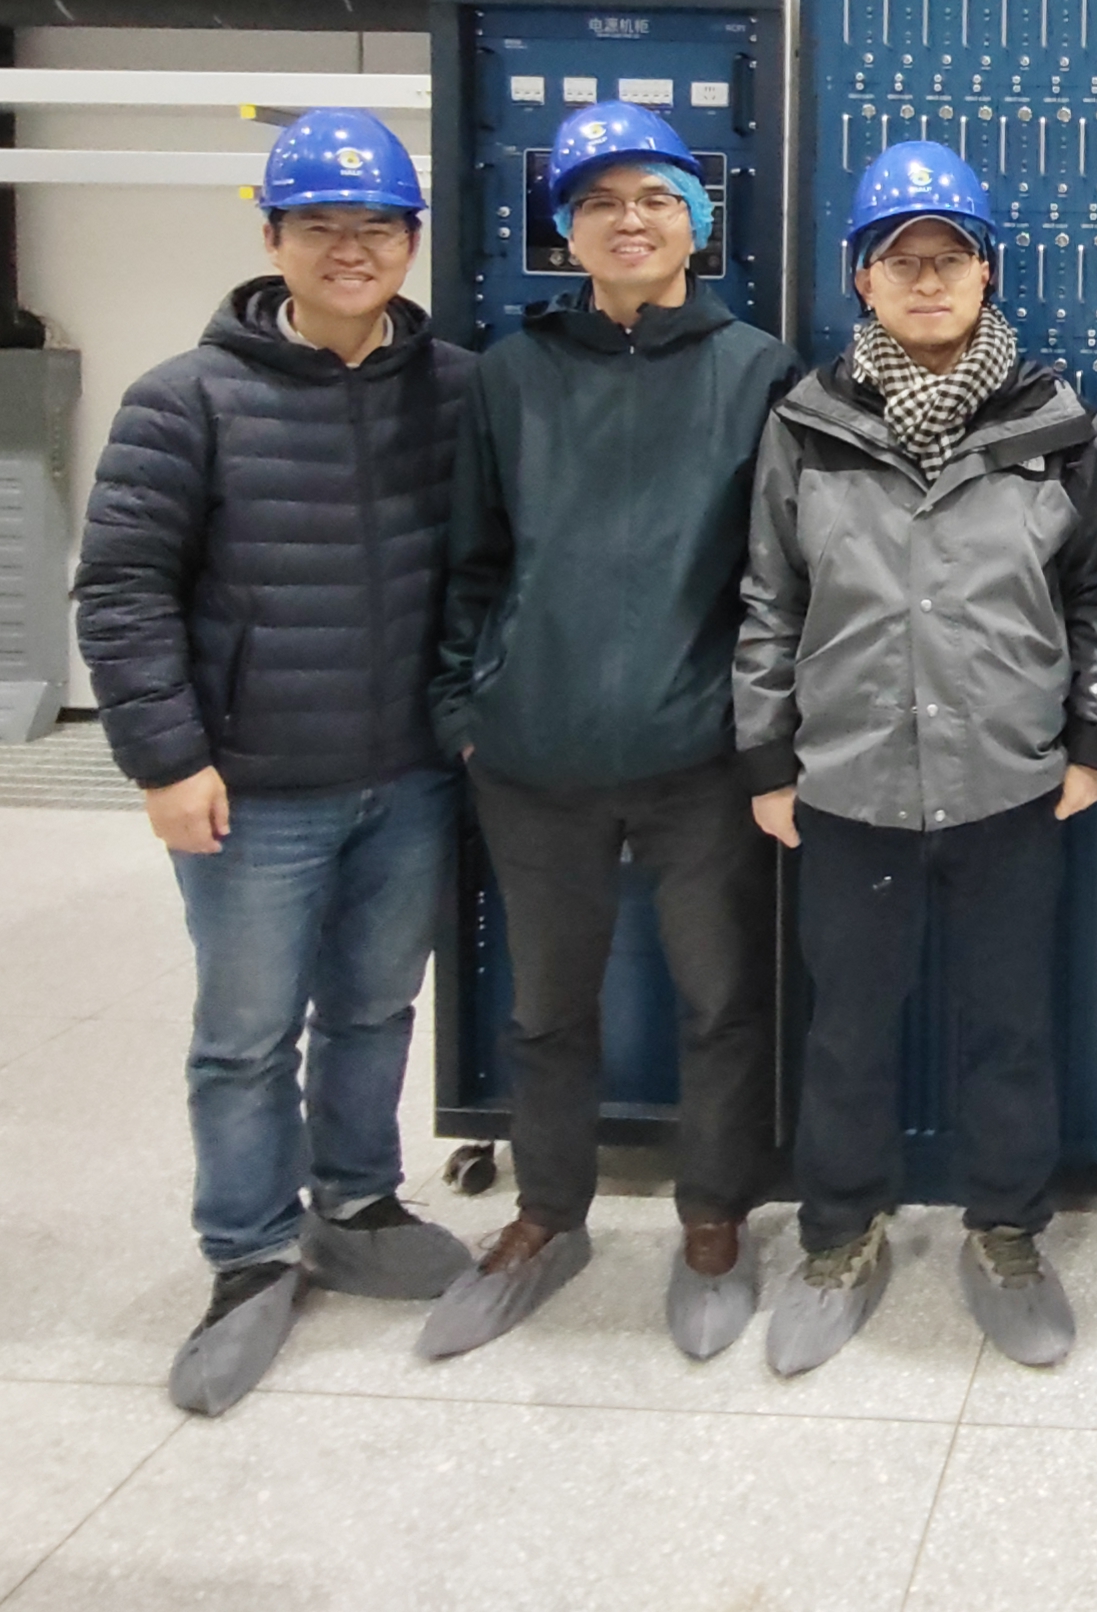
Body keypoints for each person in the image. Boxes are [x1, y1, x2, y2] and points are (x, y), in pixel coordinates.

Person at [76, 108, 479, 1415]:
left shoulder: (455, 390)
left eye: (377, 228)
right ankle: (249, 1253)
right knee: (246, 1033)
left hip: (410, 775)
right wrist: (165, 759)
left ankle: (355, 1204)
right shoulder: (185, 399)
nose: (350, 249)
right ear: (272, 239)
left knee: (375, 1007)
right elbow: (121, 591)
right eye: (320, 226)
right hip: (251, 785)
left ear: (412, 241)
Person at [735, 143, 1097, 1375]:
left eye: (947, 257)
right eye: (897, 258)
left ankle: (1007, 1231)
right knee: (848, 1031)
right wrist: (766, 759)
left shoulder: (1056, 424)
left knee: (1010, 1027)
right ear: (860, 278)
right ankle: (838, 1236)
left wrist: (1092, 743)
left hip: (1010, 781)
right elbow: (768, 601)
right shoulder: (808, 424)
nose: (924, 278)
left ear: (986, 273)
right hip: (848, 784)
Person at [418, 100, 798, 1363]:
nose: (627, 220)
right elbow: (471, 563)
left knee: (721, 1002)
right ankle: (546, 1215)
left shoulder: (758, 372)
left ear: (697, 221)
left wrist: (759, 738)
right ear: (564, 232)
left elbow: (780, 576)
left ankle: (713, 1218)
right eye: (597, 202)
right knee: (545, 1011)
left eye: (653, 198)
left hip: (701, 762)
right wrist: (470, 714)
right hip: (536, 759)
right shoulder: (510, 376)